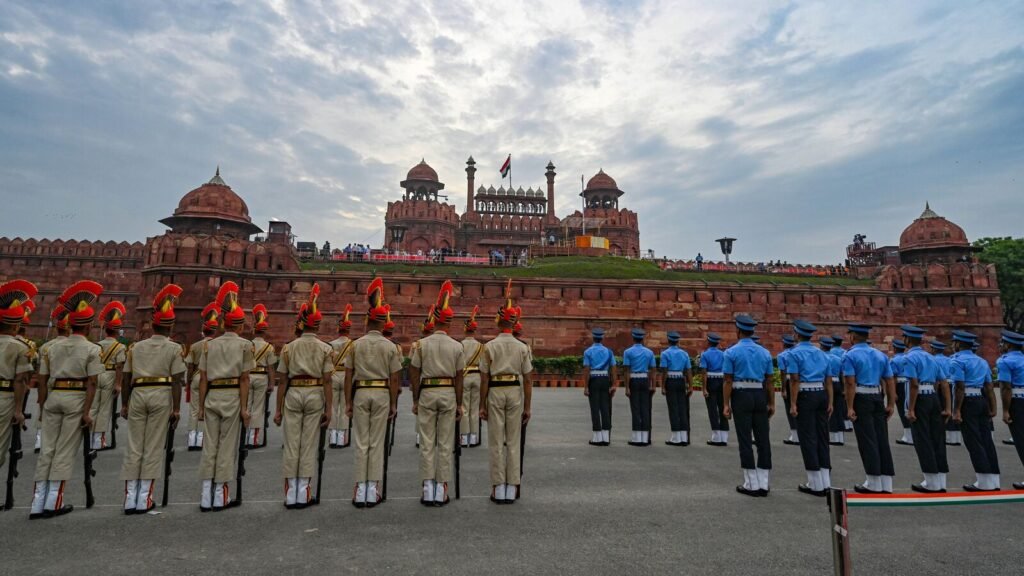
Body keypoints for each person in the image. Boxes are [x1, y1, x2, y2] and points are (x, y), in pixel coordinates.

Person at [30, 281, 104, 519]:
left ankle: (37, 503)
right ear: (90, 325)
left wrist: (42, 406)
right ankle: (54, 502)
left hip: (53, 398)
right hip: (75, 399)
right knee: (63, 451)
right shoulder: (92, 349)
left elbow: (41, 380)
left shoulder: (51, 348)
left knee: (48, 451)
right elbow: (92, 382)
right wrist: (87, 411)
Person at [119, 284, 186, 514]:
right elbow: (177, 380)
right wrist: (177, 409)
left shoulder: (135, 348)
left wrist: (124, 404)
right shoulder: (175, 348)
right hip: (161, 394)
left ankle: (129, 499)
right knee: (154, 447)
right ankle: (144, 498)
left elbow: (126, 377)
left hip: (137, 394)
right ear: (171, 327)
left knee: (135, 446)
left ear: (151, 325)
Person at [344, 278, 402, 508]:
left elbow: (349, 375)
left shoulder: (355, 345)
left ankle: (359, 490)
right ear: (383, 323)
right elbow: (395, 377)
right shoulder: (390, 347)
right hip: (381, 394)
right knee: (377, 442)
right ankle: (372, 489)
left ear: (367, 321)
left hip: (360, 393)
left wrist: (348, 401)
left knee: (361, 441)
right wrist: (394, 403)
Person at [197, 281, 254, 511]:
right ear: (240, 326)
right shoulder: (245, 345)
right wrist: (244, 408)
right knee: (227, 446)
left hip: (212, 397)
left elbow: (202, 378)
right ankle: (220, 496)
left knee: (210, 445)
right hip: (231, 398)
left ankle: (204, 496)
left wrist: (200, 407)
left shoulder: (209, 345)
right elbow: (244, 379)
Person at [275, 284, 333, 509]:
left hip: (293, 394)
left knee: (292, 444)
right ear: (317, 325)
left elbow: (282, 381)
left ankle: (290, 495)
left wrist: (278, 408)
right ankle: (303, 493)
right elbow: (328, 380)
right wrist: (329, 408)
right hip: (315, 393)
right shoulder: (324, 349)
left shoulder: (289, 348)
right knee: (309, 444)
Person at [409, 280, 465, 506]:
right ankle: (441, 490)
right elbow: (459, 377)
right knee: (444, 442)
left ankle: (427, 488)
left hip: (427, 392)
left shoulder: (421, 345)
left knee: (427, 442)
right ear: (450, 323)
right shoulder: (456, 346)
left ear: (434, 322)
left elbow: (413, 371)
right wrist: (460, 404)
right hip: (449, 392)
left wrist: (415, 397)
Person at [478, 281, 533, 504]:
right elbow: (528, 379)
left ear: (499, 322)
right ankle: (512, 487)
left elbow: (484, 378)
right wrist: (528, 407)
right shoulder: (522, 347)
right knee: (513, 441)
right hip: (514, 391)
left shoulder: (490, 346)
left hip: (495, 392)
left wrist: (482, 404)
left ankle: (498, 488)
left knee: (496, 441)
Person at [722, 314, 774, 497]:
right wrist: (771, 403)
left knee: (745, 439)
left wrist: (725, 404)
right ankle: (764, 483)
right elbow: (770, 380)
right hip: (759, 394)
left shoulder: (731, 352)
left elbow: (728, 380)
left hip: (741, 394)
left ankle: (751, 483)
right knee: (763, 439)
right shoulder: (764, 352)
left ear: (738, 330)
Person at [842, 323, 896, 494]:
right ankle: (886, 483)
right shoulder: (880, 355)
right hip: (877, 397)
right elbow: (889, 380)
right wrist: (890, 404)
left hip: (861, 397)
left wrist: (850, 407)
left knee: (867, 440)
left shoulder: (850, 355)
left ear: (853, 336)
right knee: (881, 438)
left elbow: (850, 383)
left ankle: (873, 482)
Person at [786, 320, 833, 496]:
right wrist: (830, 401)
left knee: (808, 437)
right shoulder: (821, 353)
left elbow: (795, 380)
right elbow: (828, 380)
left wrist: (793, 403)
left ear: (797, 335)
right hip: (821, 393)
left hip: (805, 394)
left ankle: (814, 483)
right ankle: (826, 481)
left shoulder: (794, 353)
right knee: (822, 436)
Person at [901, 325, 950, 493]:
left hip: (920, 399)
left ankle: (931, 482)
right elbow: (943, 383)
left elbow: (913, 384)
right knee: (937, 438)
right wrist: (947, 407)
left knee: (923, 440)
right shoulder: (931, 357)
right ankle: (941, 480)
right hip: (933, 397)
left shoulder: (910, 358)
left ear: (907, 340)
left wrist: (911, 409)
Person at [949, 330, 1000, 491]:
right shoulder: (982, 362)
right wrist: (993, 406)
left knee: (974, 441)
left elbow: (959, 387)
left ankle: (983, 481)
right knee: (986, 440)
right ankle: (993, 479)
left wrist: (956, 410)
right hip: (981, 400)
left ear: (958, 344)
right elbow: (989, 387)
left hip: (967, 402)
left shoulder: (956, 361)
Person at [0, 281, 37, 497]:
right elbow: (21, 380)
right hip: (4, 398)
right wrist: (18, 410)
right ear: (16, 326)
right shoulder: (19, 347)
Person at [91, 301, 127, 450]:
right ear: (118, 331)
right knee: (104, 409)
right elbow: (119, 366)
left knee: (93, 407)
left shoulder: (97, 344)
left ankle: (91, 438)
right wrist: (118, 384)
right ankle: (99, 440)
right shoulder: (120, 347)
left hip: (97, 374)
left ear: (106, 330)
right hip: (110, 376)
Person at [35, 309, 71, 453]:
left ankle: (39, 441)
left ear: (56, 328)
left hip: (47, 383)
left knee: (43, 412)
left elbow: (40, 373)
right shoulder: (73, 346)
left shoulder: (45, 346)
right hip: (66, 387)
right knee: (63, 417)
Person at [187, 304, 219, 451]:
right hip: (211, 378)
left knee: (194, 409)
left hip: (196, 377)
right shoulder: (218, 346)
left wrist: (188, 381)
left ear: (203, 331)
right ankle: (202, 439)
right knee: (206, 408)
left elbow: (190, 366)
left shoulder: (195, 346)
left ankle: (191, 439)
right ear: (214, 331)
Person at [996, 329, 1024, 489]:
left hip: (1018, 402)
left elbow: (1006, 387)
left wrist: (1006, 410)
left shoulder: (1005, 361)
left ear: (1007, 344)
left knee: (1021, 440)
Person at [247, 304, 277, 448]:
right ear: (264, 332)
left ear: (254, 331)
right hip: (261, 377)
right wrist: (271, 384)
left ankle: (244, 437)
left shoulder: (247, 345)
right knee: (258, 409)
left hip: (247, 376)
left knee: (246, 407)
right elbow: (271, 368)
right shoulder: (268, 347)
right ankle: (253, 439)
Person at [582, 327, 617, 446]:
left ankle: (597, 437)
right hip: (605, 379)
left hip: (594, 379)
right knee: (605, 407)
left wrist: (586, 386)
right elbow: (613, 368)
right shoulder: (609, 352)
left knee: (595, 408)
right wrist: (614, 384)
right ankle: (606, 437)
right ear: (602, 338)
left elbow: (587, 369)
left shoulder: (588, 352)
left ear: (593, 338)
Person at [622, 328, 656, 446]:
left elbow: (626, 370)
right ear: (643, 339)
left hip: (634, 379)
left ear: (633, 338)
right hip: (645, 379)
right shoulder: (649, 352)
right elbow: (653, 370)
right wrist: (653, 385)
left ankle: (637, 438)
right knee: (645, 408)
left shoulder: (628, 352)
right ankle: (645, 437)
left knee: (636, 408)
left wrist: (627, 387)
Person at [660, 331, 693, 446]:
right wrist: (690, 386)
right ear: (677, 341)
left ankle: (675, 437)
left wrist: (663, 386)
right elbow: (688, 371)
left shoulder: (665, 353)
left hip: (671, 380)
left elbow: (664, 371)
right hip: (681, 380)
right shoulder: (684, 354)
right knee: (682, 408)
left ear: (668, 341)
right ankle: (684, 437)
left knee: (673, 408)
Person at [328, 304, 354, 448]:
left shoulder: (331, 344)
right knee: (345, 406)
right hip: (346, 376)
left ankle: (332, 437)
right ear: (349, 329)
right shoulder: (353, 345)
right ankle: (341, 438)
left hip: (333, 374)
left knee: (332, 406)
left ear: (339, 329)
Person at [699, 333, 729, 446]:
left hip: (711, 381)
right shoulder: (723, 354)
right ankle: (724, 436)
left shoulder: (705, 355)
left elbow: (704, 373)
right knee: (723, 407)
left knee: (712, 409)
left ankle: (716, 436)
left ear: (708, 342)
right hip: (722, 381)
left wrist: (704, 388)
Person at [460, 306, 484, 448]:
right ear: (474, 330)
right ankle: (473, 438)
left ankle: (463, 438)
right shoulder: (481, 346)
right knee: (475, 408)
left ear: (465, 329)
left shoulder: (460, 345)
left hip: (464, 376)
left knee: (463, 408)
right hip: (477, 377)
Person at [930, 339, 959, 446]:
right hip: (952, 384)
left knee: (941, 410)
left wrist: (934, 390)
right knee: (952, 407)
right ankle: (955, 436)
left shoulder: (933, 360)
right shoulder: (949, 359)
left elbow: (937, 377)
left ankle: (945, 435)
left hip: (942, 385)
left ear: (933, 349)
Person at [891, 339, 914, 445]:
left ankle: (908, 436)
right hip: (909, 383)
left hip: (900, 385)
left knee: (902, 410)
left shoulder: (894, 360)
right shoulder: (907, 357)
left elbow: (893, 378)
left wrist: (893, 392)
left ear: (894, 348)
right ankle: (911, 435)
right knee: (910, 408)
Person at [777, 335, 799, 446]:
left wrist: (783, 389)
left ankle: (795, 436)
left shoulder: (783, 355)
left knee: (790, 408)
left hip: (790, 381)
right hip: (802, 383)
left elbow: (783, 373)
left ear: (784, 344)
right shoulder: (798, 353)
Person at [829, 333, 851, 441]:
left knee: (830, 408)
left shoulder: (826, 355)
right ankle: (844, 430)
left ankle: (833, 436)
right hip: (841, 380)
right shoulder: (844, 353)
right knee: (841, 407)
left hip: (829, 382)